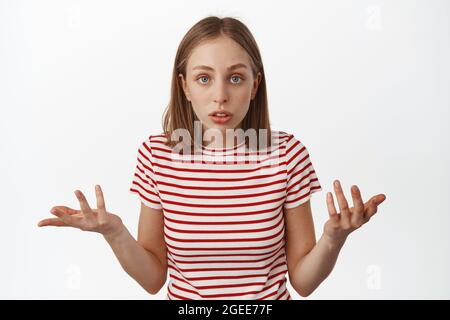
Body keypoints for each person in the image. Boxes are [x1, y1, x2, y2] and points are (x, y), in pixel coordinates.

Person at [37, 16, 386, 300]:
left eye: (235, 78)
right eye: (204, 78)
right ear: (185, 86)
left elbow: (304, 283)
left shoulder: (287, 154)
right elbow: (154, 278)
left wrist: (333, 239)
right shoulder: (157, 156)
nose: (220, 95)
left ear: (254, 85)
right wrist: (113, 232)